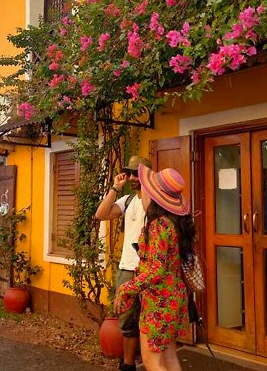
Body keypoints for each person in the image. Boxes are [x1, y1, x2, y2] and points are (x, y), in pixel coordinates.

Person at [114, 165, 196, 371]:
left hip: (159, 302)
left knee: (152, 361)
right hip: (174, 298)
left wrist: (126, 288)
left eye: (145, 190)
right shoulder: (175, 223)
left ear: (154, 197)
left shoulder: (158, 225)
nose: (142, 193)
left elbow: (156, 269)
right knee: (169, 357)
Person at [94, 155, 152, 371]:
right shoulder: (127, 200)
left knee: (149, 319)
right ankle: (128, 365)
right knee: (127, 320)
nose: (133, 177)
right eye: (131, 173)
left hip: (149, 269)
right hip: (128, 267)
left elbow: (151, 211)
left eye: (138, 173)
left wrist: (146, 185)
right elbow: (101, 214)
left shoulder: (154, 198)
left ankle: (150, 362)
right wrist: (116, 187)